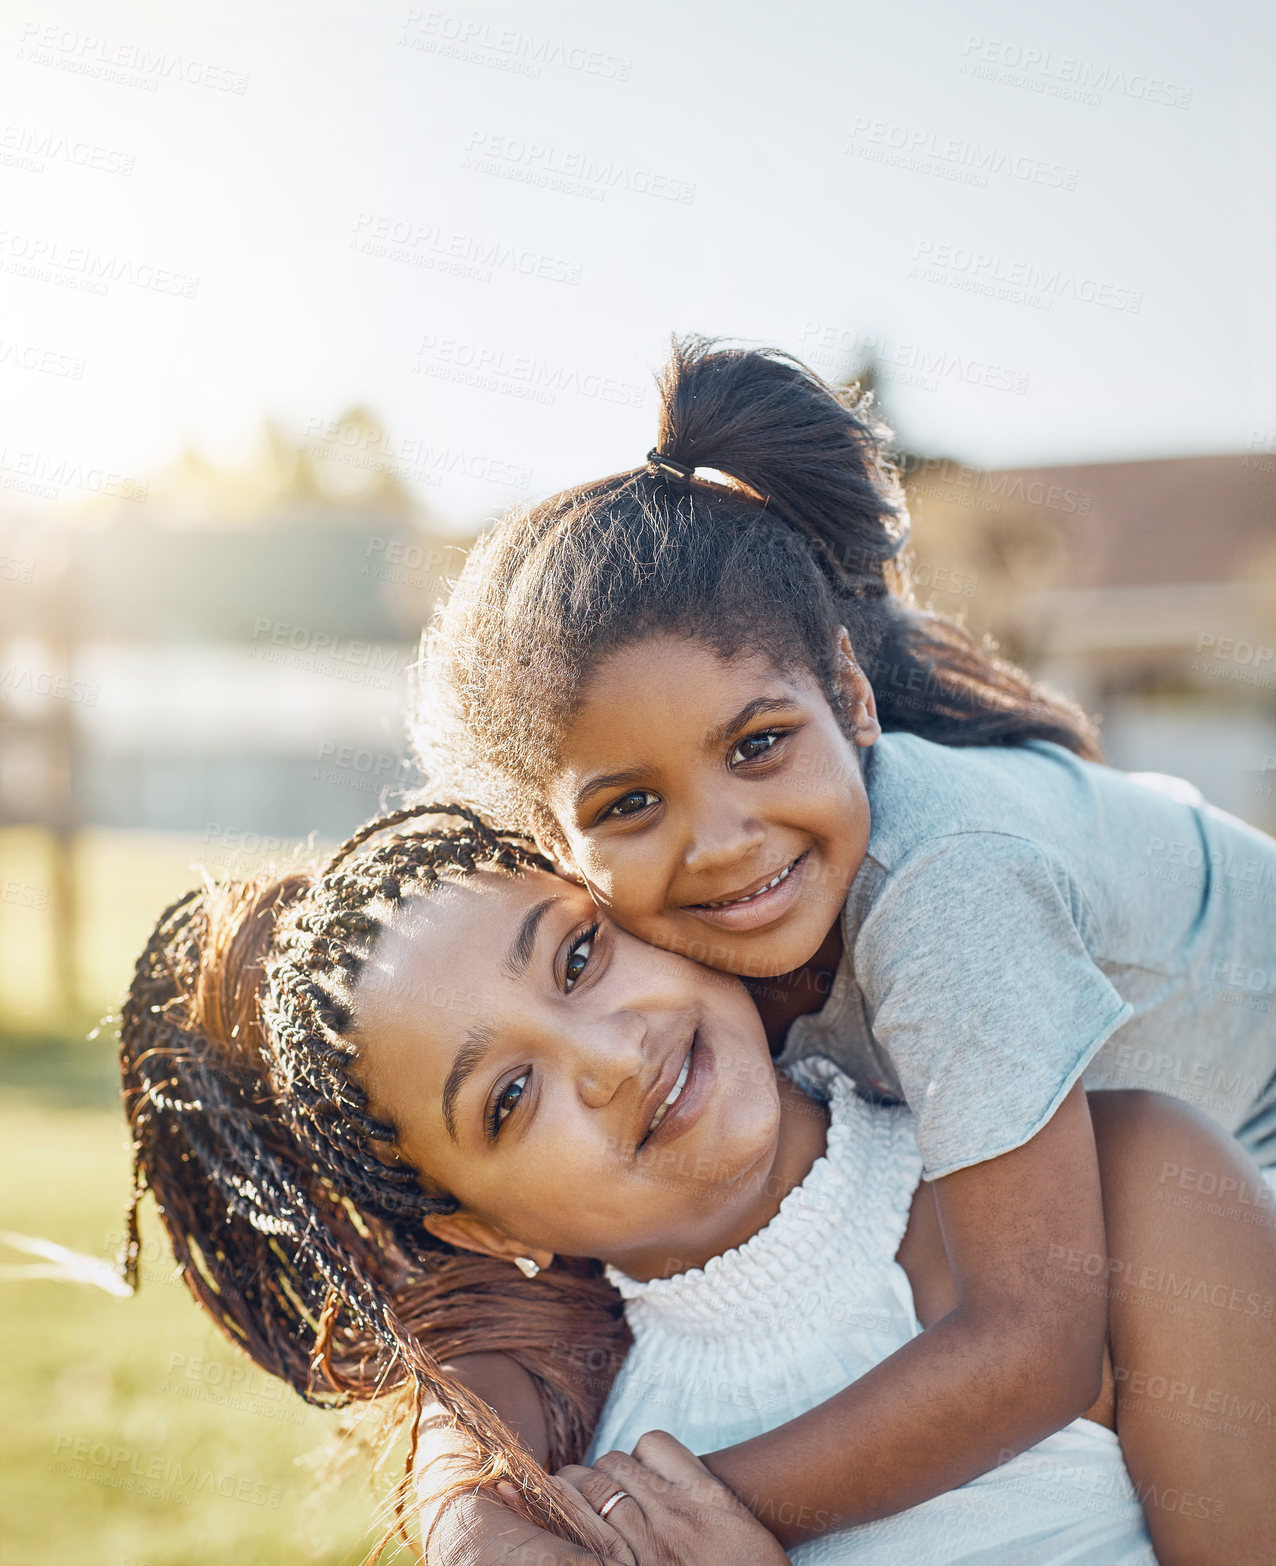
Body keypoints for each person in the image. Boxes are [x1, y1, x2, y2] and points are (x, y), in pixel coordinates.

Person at [409, 334, 1276, 1533]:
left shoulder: (944, 888)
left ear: (849, 700)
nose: (719, 841)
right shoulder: (666, 960)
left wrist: (665, 1527)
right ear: (558, 851)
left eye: (757, 744)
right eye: (630, 803)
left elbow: (1035, 1351)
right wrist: (465, 1499)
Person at [119, 808, 1276, 1564]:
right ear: (487, 1229)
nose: (615, 1056)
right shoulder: (575, 1498)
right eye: (511, 1100)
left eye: (578, 955)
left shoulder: (1134, 1195)